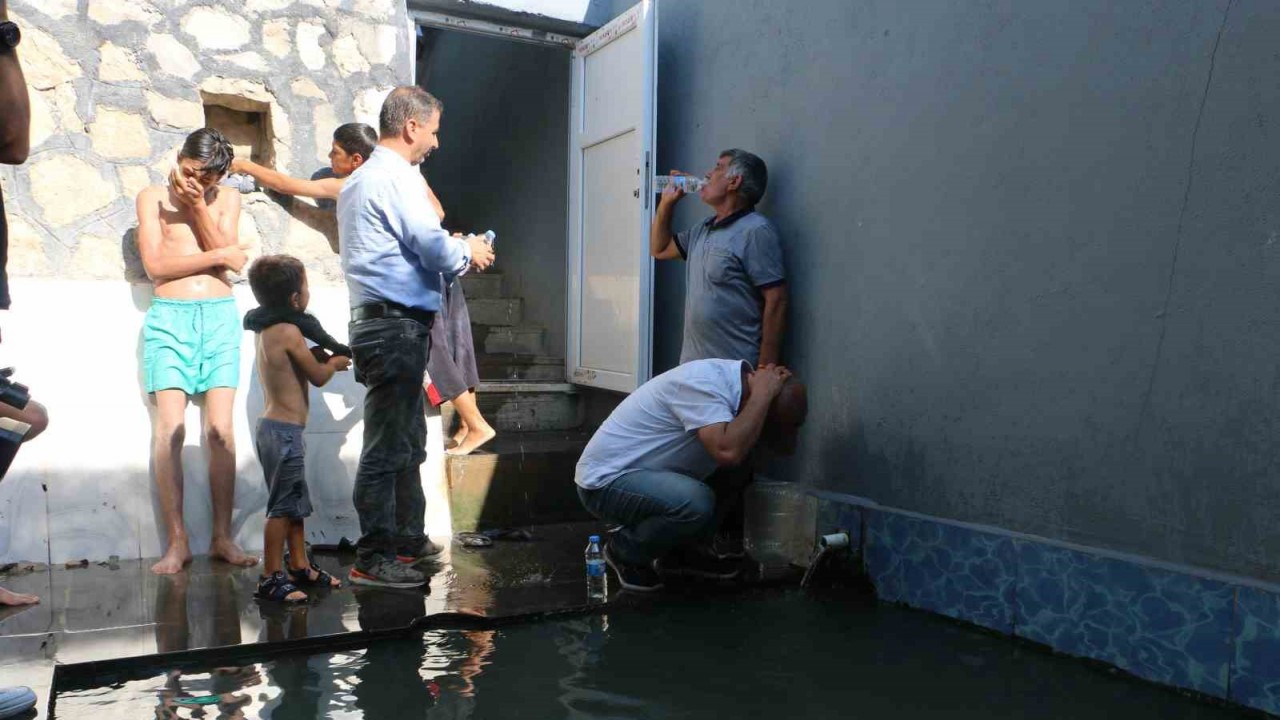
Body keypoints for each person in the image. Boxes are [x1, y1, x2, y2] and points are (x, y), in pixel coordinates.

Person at [232, 123, 492, 455]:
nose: (329, 158)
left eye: (334, 152)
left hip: (415, 282)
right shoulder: (406, 175)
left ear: (356, 159)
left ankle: (477, 424)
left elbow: (288, 185)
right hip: (440, 272)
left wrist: (244, 165)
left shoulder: (353, 184)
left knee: (436, 354)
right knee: (455, 347)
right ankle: (469, 425)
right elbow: (438, 212)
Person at [338, 86, 494, 588]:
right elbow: (434, 250)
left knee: (405, 439)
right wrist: (467, 249)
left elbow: (403, 248)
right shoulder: (397, 178)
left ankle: (405, 543)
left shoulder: (363, 180)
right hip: (394, 327)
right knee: (388, 445)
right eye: (433, 131)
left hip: (385, 325)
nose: (435, 142)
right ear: (411, 127)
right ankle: (375, 556)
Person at [135, 128, 257, 575]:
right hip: (171, 318)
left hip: (220, 318)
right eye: (191, 174)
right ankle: (178, 541)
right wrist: (219, 255)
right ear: (181, 158)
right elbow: (156, 267)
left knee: (220, 432)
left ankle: (222, 537)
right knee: (170, 429)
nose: (196, 182)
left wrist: (198, 206)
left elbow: (232, 263)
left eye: (207, 179)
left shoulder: (224, 200)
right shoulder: (151, 197)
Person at [574, 360, 807, 592]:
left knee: (740, 460)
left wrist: (769, 403)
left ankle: (681, 554)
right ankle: (624, 551)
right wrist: (763, 395)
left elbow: (783, 449)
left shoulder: (738, 392)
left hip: (651, 476)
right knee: (696, 501)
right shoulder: (705, 383)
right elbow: (727, 452)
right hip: (605, 484)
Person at [245, 255, 348, 603]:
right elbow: (318, 377)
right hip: (282, 432)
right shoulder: (289, 331)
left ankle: (299, 565)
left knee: (295, 503)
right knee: (282, 506)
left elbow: (295, 367)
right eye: (306, 287)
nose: (308, 293)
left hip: (279, 431)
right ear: (295, 298)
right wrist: (334, 362)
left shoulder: (268, 330)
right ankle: (270, 576)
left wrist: (315, 355)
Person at [649, 149, 788, 367]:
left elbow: (777, 300)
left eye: (718, 167)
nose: (707, 173)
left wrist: (763, 369)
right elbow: (660, 249)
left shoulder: (756, 230)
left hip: (733, 371)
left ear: (734, 182)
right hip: (693, 369)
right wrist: (668, 203)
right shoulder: (701, 228)